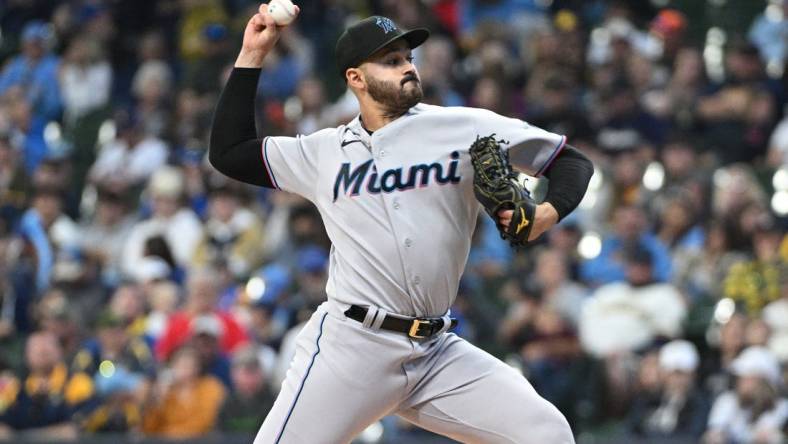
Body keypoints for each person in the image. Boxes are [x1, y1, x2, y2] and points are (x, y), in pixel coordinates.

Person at [209, 7, 593, 443]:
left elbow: (571, 162)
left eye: (408, 57)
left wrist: (547, 213)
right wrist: (251, 54)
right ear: (355, 78)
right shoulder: (323, 153)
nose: (408, 67)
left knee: (546, 432)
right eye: (391, 61)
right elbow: (230, 152)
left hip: (435, 350)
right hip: (352, 347)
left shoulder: (463, 126)